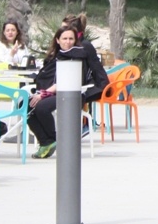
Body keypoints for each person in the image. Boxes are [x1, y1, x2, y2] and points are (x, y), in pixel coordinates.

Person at [28, 23, 109, 159]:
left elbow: (65, 81)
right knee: (25, 106)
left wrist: (43, 94)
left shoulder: (78, 55)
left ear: (75, 40)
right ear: (57, 40)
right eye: (64, 38)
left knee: (41, 107)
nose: (68, 42)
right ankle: (46, 142)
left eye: (71, 39)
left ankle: (54, 140)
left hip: (72, 94)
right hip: (53, 92)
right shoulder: (56, 56)